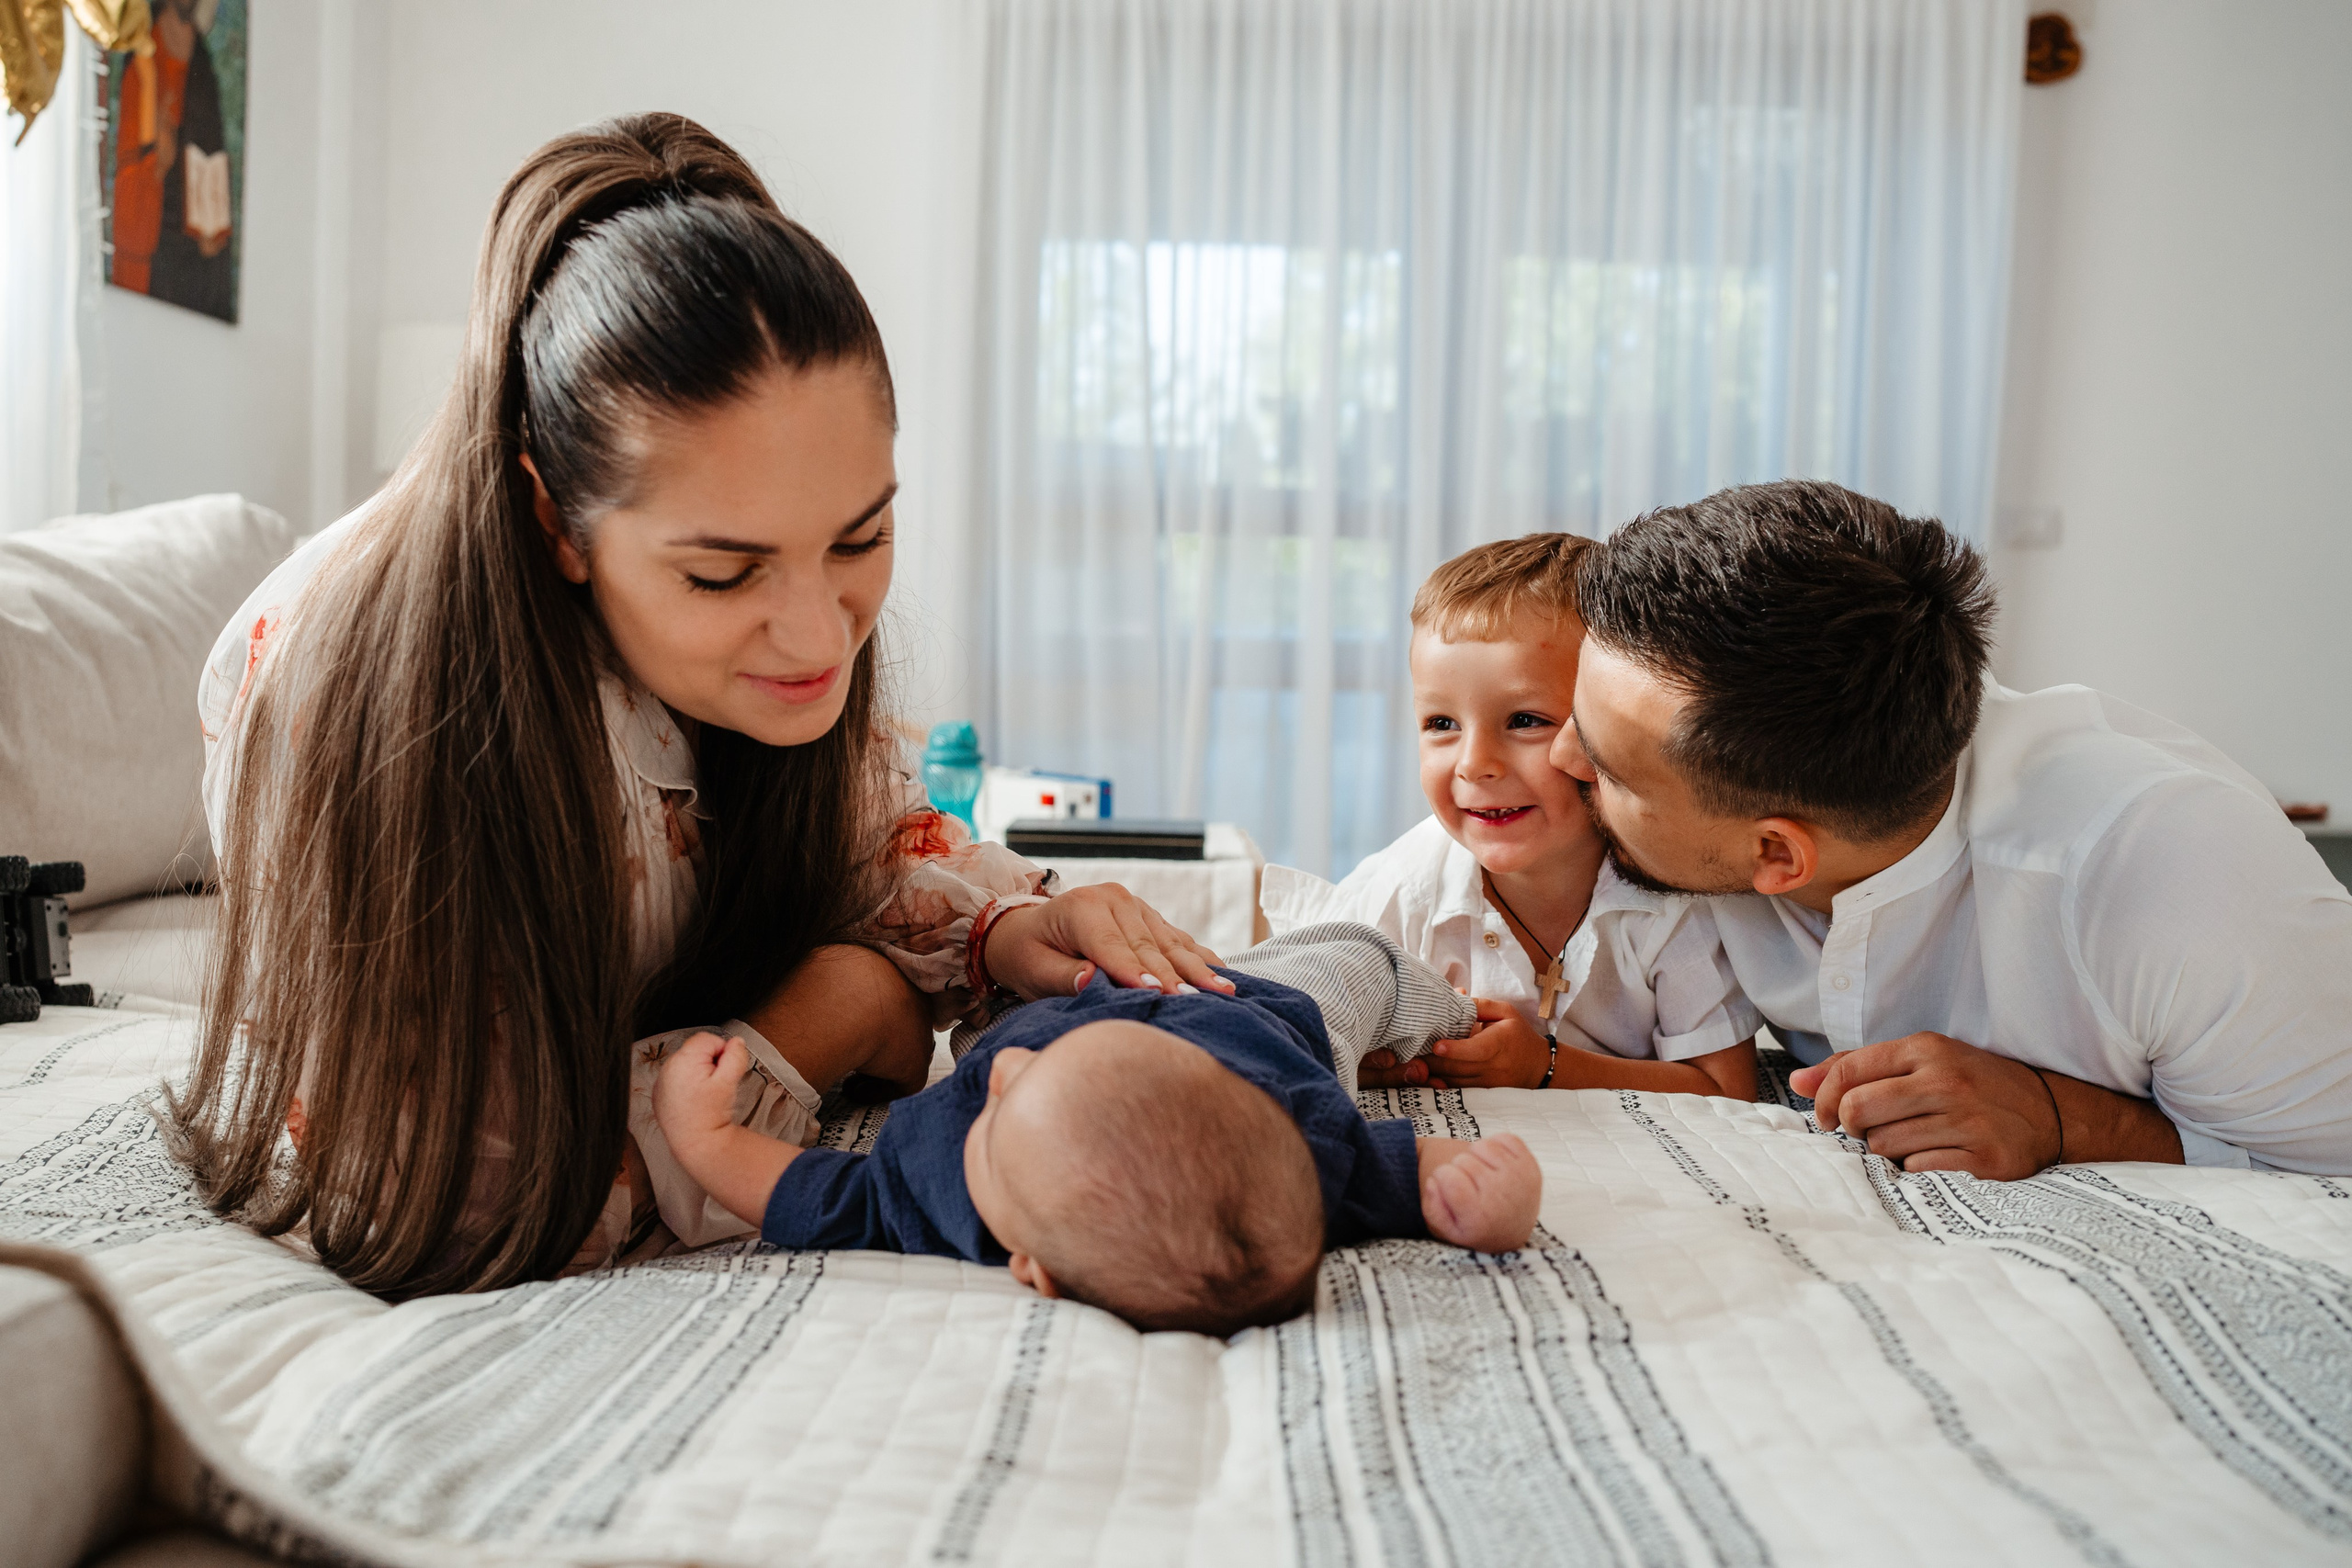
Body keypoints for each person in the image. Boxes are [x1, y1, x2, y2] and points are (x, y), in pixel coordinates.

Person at [169, 114, 1228, 1301]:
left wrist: (1004, 926)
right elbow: (453, 1212)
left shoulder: (749, 634)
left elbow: (866, 831)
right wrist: (834, 1011)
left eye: (862, 535)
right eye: (724, 574)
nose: (823, 634)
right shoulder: (356, 700)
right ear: (555, 520)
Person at [1555, 479, 2352, 1178]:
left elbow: (2330, 1165)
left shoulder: (2175, 880)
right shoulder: (1733, 804)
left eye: (1609, 767)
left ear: (1777, 853)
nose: (1560, 759)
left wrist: (2065, 1118)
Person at [651, 923, 1544, 1335]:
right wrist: (1484, 1198)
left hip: (1081, 1008)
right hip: (1259, 1022)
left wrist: (706, 1143)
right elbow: (1412, 1169)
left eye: (1000, 1117)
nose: (1002, 1078)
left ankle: (1434, 1009)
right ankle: (1446, 1008)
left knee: (981, 1028)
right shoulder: (1303, 1158)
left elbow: (813, 1196)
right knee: (1354, 956)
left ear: (1026, 1265)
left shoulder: (931, 1195)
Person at [1263, 535, 1758, 1098]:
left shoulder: (1673, 895)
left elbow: (1727, 1088)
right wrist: (1367, 1060)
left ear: (1610, 730)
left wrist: (1545, 1066)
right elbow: (1303, 1030)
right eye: (1441, 724)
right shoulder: (1404, 890)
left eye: (1525, 719)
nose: (1475, 765)